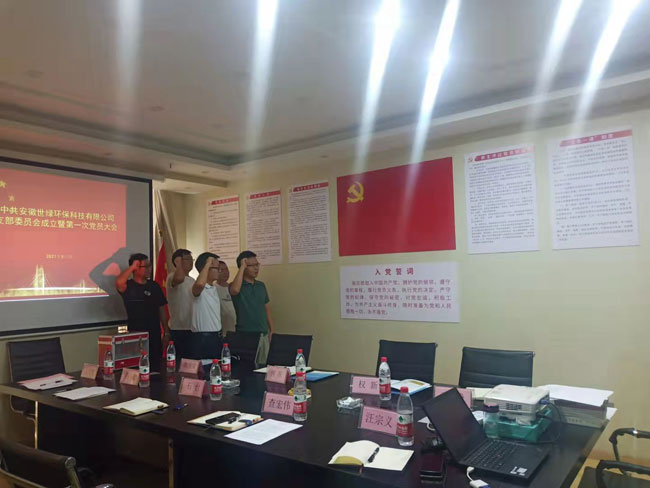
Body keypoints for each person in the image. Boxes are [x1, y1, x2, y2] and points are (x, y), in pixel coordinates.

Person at [115, 253, 169, 372]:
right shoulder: (129, 286)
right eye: (146, 266)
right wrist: (132, 267)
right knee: (136, 367)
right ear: (136, 268)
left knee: (156, 368)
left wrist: (166, 331)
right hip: (135, 335)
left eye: (150, 266)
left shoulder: (154, 286)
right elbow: (119, 283)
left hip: (154, 334)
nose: (150, 269)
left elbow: (162, 309)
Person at [230, 251, 274, 365]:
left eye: (257, 264)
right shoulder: (236, 286)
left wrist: (272, 330)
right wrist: (242, 267)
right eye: (251, 265)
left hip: (263, 334)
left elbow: (266, 308)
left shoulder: (261, 285)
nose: (256, 268)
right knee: (246, 368)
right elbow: (234, 290)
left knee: (263, 367)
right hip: (245, 335)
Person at [190, 252, 222, 359]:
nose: (219, 271)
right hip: (203, 338)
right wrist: (208, 263)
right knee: (205, 368)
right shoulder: (198, 287)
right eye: (216, 268)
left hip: (216, 336)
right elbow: (199, 284)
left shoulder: (213, 287)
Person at [166, 248, 194, 360]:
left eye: (192, 259)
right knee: (179, 362)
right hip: (179, 328)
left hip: (192, 327)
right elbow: (179, 278)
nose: (191, 262)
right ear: (178, 261)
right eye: (187, 259)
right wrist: (178, 264)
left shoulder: (192, 280)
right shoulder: (172, 276)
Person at [215, 260, 236, 335]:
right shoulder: (213, 289)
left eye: (226, 269)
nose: (225, 272)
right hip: (222, 331)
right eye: (221, 270)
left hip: (237, 330)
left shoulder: (234, 288)